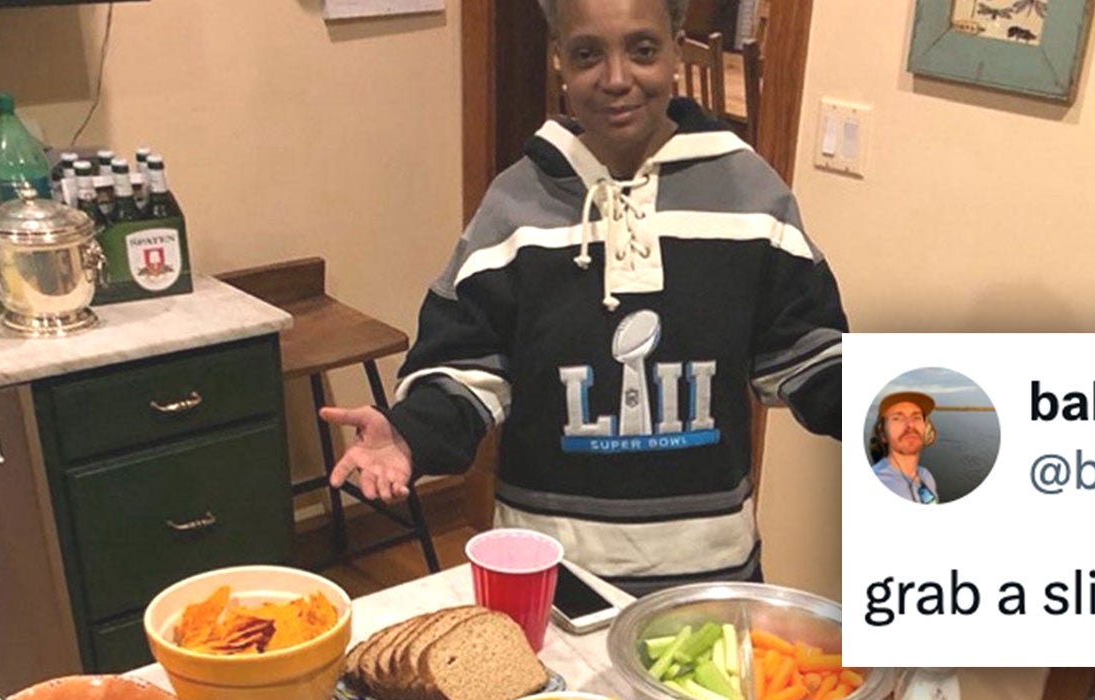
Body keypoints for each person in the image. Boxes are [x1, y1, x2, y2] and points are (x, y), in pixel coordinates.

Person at [321, 0, 844, 594]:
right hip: (550, 578)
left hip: (708, 581)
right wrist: (410, 433)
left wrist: (895, 408)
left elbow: (808, 355)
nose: (617, 79)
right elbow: (464, 364)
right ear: (559, 60)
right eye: (588, 54)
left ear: (677, 49)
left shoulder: (751, 198)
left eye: (642, 50)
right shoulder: (514, 208)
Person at [869, 391, 938, 504]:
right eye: (897, 418)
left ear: (926, 429)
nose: (910, 425)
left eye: (916, 418)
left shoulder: (926, 476)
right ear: (883, 434)